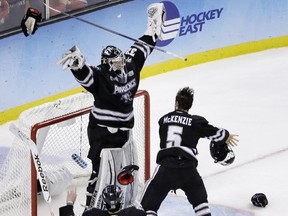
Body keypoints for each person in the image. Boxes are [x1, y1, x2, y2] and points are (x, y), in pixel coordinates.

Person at [55, 2, 166, 209]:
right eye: (116, 63)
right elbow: (87, 74)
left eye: (121, 60)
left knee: (122, 168)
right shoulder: (101, 77)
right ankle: (91, 205)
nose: (121, 65)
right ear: (106, 64)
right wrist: (77, 65)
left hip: (123, 130)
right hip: (101, 132)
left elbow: (142, 47)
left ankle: (118, 200)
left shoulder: (131, 65)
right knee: (100, 170)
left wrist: (153, 28)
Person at [139, 87, 239, 216]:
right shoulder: (196, 122)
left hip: (166, 169)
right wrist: (226, 135)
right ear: (190, 105)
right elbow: (217, 134)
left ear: (176, 103)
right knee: (201, 205)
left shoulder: (163, 120)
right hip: (188, 170)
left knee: (148, 208)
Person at [59, 185, 147, 216]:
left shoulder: (92, 214)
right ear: (121, 200)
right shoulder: (134, 213)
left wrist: (69, 203)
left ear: (104, 201)